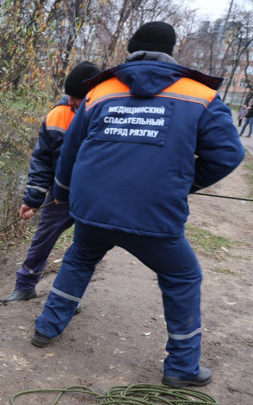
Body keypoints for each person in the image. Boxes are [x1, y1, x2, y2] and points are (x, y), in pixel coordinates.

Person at [31, 21, 245, 389]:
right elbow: (228, 153)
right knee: (183, 276)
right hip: (155, 216)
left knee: (80, 259)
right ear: (172, 52)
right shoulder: (199, 94)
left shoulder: (100, 90)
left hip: (93, 208)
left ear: (129, 50)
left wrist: (62, 194)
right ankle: (181, 367)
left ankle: (45, 328)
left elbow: (70, 152)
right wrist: (185, 182)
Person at [2, 61, 101, 304]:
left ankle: (69, 295)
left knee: (88, 248)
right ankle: (25, 285)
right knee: (42, 239)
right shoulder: (57, 114)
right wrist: (32, 199)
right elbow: (42, 159)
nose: (72, 102)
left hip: (96, 198)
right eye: (70, 96)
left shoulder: (109, 113)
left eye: (78, 97)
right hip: (60, 195)